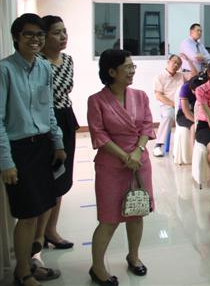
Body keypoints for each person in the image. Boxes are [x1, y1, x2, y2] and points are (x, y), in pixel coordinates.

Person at [1, 14, 66, 286]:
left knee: (41, 208)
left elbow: (47, 108)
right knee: (27, 214)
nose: (35, 39)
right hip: (19, 149)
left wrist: (58, 142)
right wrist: (6, 161)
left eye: (39, 34)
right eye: (28, 34)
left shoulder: (44, 68)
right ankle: (22, 272)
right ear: (16, 37)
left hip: (42, 146)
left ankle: (30, 263)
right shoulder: (5, 70)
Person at [87, 49, 156, 285]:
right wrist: (126, 156)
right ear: (111, 71)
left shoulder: (140, 96)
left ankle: (133, 256)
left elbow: (147, 125)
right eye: (127, 67)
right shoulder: (96, 100)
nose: (132, 70)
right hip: (111, 165)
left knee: (136, 213)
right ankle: (97, 267)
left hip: (139, 162)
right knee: (109, 218)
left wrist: (137, 151)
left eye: (133, 66)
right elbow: (99, 134)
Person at [34, 15, 78, 252]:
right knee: (47, 177)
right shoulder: (37, 61)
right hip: (45, 121)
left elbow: (65, 90)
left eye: (64, 31)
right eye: (56, 32)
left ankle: (51, 230)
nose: (63, 36)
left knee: (61, 177)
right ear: (44, 36)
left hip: (66, 117)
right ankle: (38, 235)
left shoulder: (68, 60)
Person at [151, 55, 184, 157]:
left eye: (179, 64)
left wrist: (188, 60)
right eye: (174, 62)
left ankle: (182, 149)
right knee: (168, 116)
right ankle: (158, 146)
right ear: (168, 62)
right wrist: (174, 104)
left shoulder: (181, 76)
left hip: (182, 105)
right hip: (167, 105)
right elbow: (159, 96)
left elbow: (195, 75)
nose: (176, 65)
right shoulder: (159, 77)